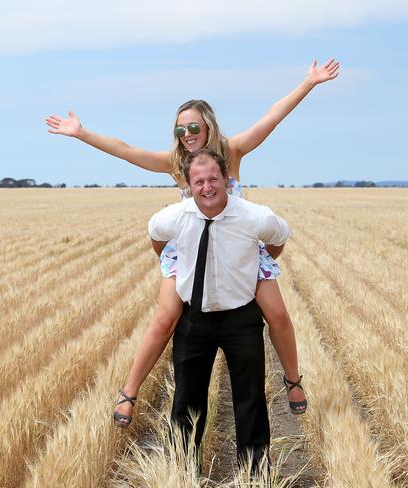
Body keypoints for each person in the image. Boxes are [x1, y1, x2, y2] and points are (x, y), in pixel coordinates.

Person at [45, 58, 340, 427]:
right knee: (164, 318)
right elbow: (126, 150)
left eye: (193, 126)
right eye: (180, 128)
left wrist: (309, 82)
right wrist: (82, 133)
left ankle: (293, 381)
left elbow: (272, 116)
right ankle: (129, 392)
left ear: (209, 125)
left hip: (238, 244)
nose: (186, 133)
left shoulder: (232, 151)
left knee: (277, 314)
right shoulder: (176, 162)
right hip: (191, 249)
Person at [148, 148, 291, 469]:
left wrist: (255, 263)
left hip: (241, 318)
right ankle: (181, 469)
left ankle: (255, 473)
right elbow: (157, 237)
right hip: (193, 319)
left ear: (227, 180)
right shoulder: (173, 217)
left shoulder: (256, 216)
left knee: (250, 398)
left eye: (213, 179)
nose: (207, 187)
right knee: (186, 399)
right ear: (188, 184)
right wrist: (173, 264)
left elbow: (279, 238)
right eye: (199, 181)